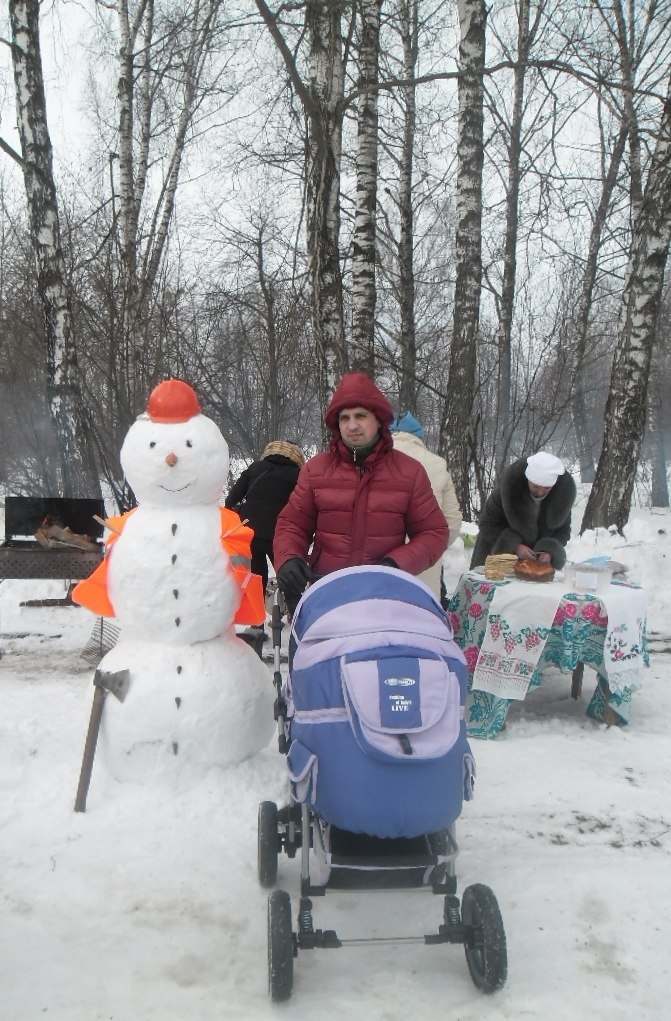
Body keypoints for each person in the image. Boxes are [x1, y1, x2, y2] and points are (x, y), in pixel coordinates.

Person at [273, 372, 449, 612]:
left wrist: (395, 565)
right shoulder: (316, 470)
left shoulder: (410, 472)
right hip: (326, 594)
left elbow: (433, 532)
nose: (352, 425)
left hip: (384, 596)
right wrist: (289, 557)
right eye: (344, 418)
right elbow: (292, 524)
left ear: (379, 419)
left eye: (361, 416)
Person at [389, 411, 462, 601]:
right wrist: (431, 549)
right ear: (418, 436)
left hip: (379, 567)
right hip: (423, 567)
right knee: (419, 615)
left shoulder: (370, 460)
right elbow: (452, 523)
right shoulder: (437, 463)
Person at [470, 451, 576, 570]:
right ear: (528, 478)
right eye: (535, 486)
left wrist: (549, 551)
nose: (540, 492)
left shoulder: (561, 499)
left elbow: (563, 532)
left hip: (534, 565)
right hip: (494, 554)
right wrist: (515, 546)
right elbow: (486, 524)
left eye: (546, 488)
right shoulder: (507, 491)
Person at [225, 440, 304, 595]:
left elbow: (231, 500)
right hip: (279, 534)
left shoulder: (255, 468)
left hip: (249, 531)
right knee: (287, 575)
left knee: (257, 576)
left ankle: (258, 607)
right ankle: (293, 605)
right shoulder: (297, 475)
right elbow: (302, 507)